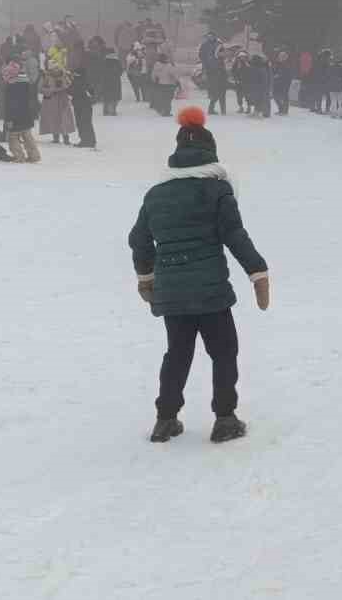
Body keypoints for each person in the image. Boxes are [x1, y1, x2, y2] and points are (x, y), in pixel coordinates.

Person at [130, 107, 271, 444]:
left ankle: (165, 419)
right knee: (223, 352)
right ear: (211, 152)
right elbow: (234, 235)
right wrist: (258, 272)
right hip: (210, 292)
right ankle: (225, 418)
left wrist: (146, 278)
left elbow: (139, 239)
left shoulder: (156, 194)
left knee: (177, 354)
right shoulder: (217, 190)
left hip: (173, 291)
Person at [2, 59, 40, 163]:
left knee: (13, 138)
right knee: (27, 136)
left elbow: (10, 105)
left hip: (15, 117)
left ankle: (19, 157)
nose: (4, 76)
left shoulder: (11, 86)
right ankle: (34, 156)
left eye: (6, 74)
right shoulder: (26, 81)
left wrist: (9, 119)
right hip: (27, 114)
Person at [40, 67, 76, 145]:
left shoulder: (65, 76)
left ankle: (66, 138)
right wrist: (51, 90)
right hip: (51, 101)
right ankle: (55, 137)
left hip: (63, 101)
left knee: (64, 119)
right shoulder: (47, 78)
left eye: (57, 69)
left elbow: (71, 86)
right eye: (54, 69)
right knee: (54, 118)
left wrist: (65, 86)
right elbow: (41, 89)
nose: (56, 71)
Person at [71, 64, 98, 149]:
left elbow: (72, 91)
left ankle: (86, 140)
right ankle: (89, 140)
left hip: (81, 104)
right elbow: (92, 93)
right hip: (85, 104)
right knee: (86, 123)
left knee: (83, 123)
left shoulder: (78, 81)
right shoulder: (85, 81)